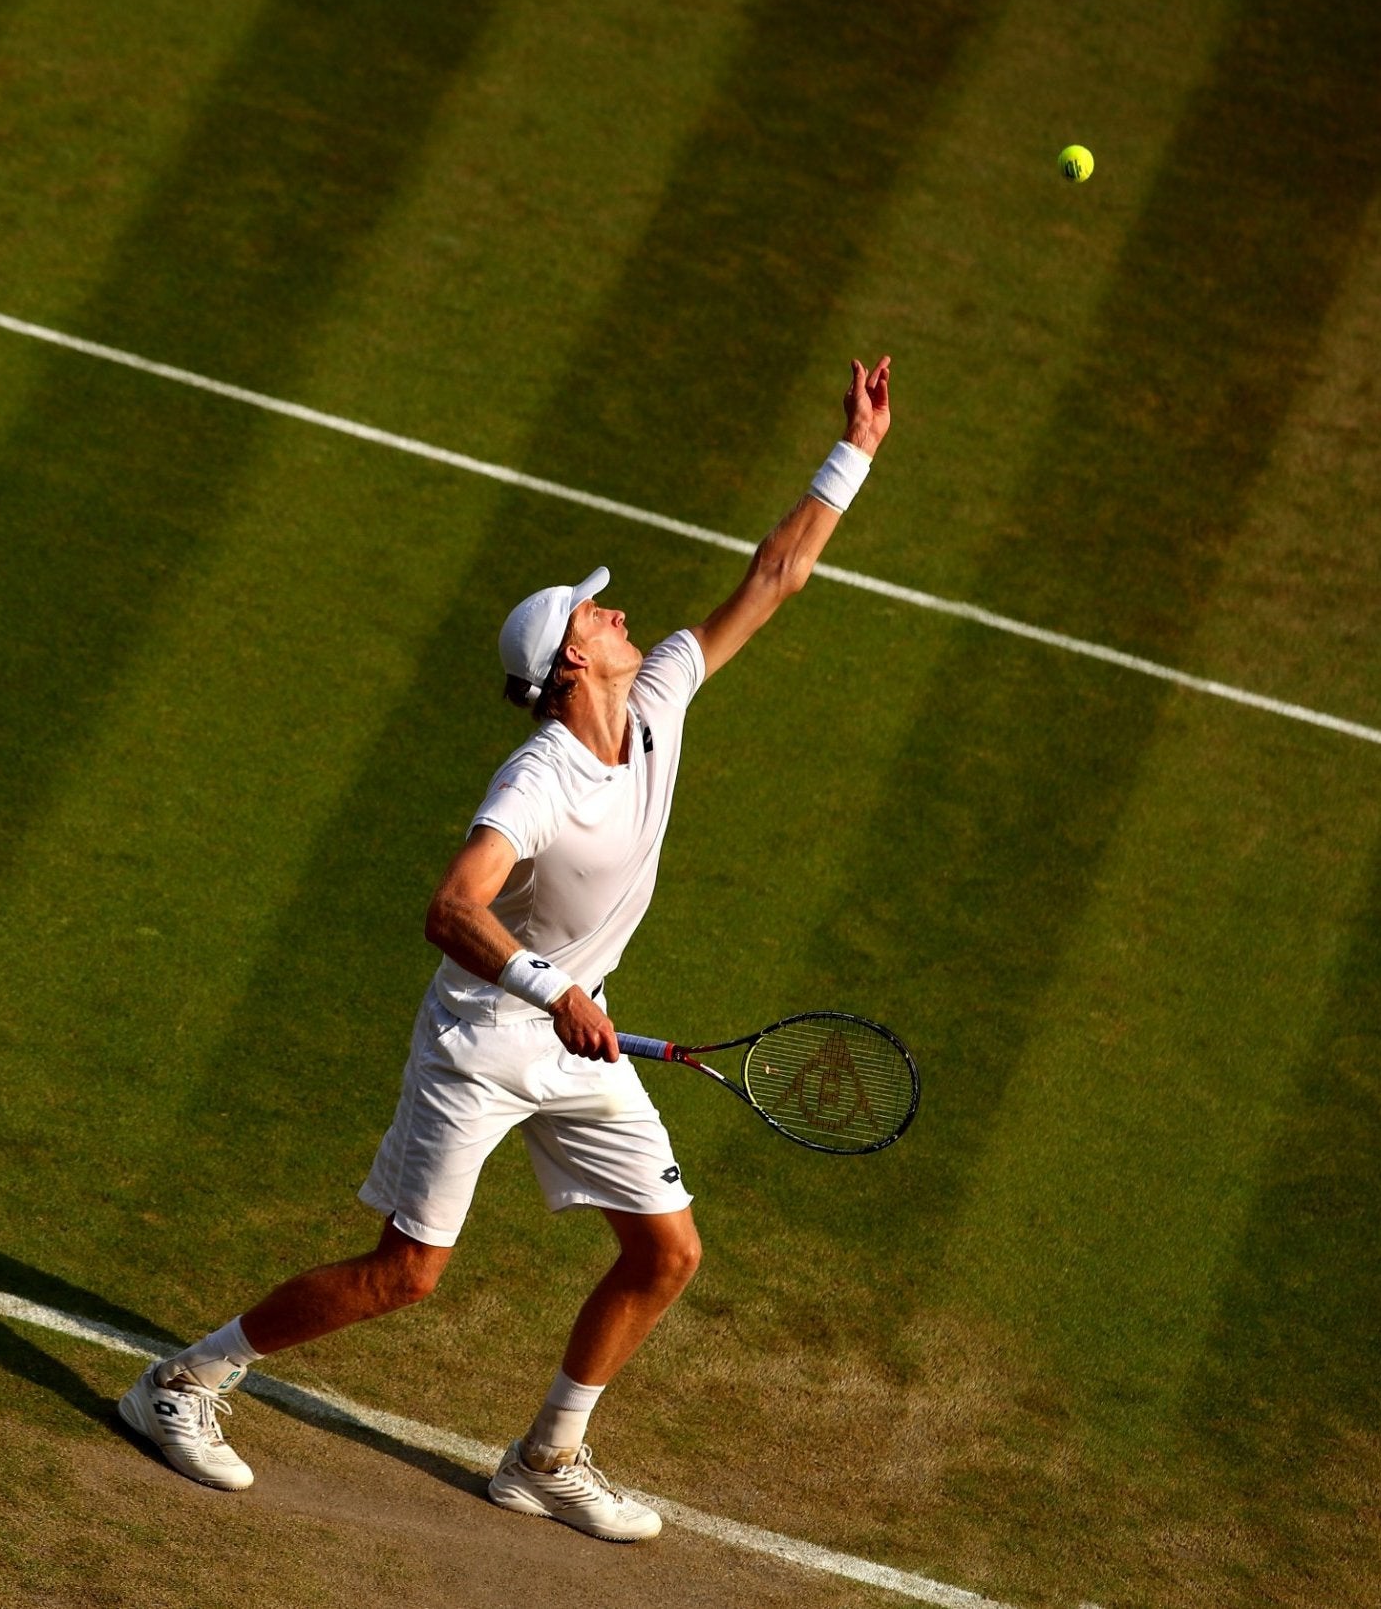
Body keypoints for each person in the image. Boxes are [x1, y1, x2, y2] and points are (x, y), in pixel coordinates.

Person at [120, 358, 893, 1541]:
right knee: (405, 1274)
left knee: (665, 1252)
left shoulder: (659, 700)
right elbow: (450, 905)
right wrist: (546, 985)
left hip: (575, 1036)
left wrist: (853, 452)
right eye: (597, 612)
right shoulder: (535, 778)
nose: (618, 611)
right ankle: (180, 1380)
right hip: (483, 1038)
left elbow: (774, 573)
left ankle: (546, 1453)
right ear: (571, 661)